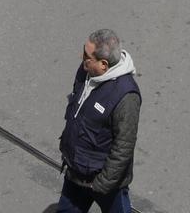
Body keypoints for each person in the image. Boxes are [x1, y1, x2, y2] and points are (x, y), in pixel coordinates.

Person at [57, 29, 142, 213]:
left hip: (105, 182)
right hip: (76, 171)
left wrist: (103, 183)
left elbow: (124, 146)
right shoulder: (85, 71)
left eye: (87, 56)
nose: (82, 57)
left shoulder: (126, 96)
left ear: (103, 64)